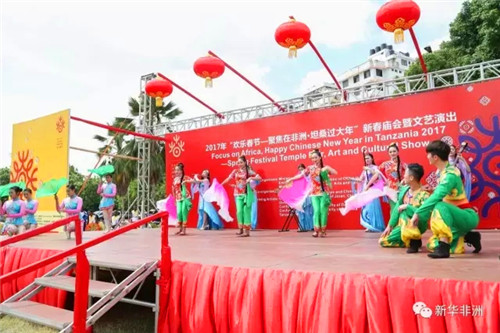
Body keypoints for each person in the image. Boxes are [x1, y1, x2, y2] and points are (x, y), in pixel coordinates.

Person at [410, 140, 481, 259]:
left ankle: (444, 247)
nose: (427, 157)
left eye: (428, 154)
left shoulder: (450, 175)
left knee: (439, 205)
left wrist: (417, 213)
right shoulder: (442, 173)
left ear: (435, 157)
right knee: (431, 244)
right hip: (455, 218)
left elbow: (437, 195)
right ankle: (469, 236)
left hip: (466, 215)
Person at [379, 163, 431, 253]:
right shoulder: (404, 190)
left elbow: (424, 215)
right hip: (403, 225)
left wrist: (407, 207)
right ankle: (408, 240)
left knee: (404, 211)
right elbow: (396, 208)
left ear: (411, 178)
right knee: (383, 241)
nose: (403, 176)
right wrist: (390, 226)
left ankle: (415, 241)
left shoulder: (424, 195)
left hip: (418, 225)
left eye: (405, 174)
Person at [286, 150, 337, 237]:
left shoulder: (325, 168)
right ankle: (316, 230)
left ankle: (323, 231)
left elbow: (335, 172)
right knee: (316, 211)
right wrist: (291, 179)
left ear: (320, 158)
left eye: (315, 157)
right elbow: (300, 175)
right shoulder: (310, 168)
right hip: (314, 193)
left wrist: (328, 168)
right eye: (312, 158)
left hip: (324, 193)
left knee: (323, 211)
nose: (314, 159)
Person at [221, 155, 262, 237]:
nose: (239, 164)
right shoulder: (235, 171)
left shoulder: (248, 171)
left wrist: (251, 178)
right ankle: (240, 229)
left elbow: (259, 178)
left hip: (246, 193)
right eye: (238, 162)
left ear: (245, 162)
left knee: (246, 211)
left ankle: (247, 231)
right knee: (239, 211)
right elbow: (228, 178)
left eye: (241, 162)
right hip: (237, 194)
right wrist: (220, 185)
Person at [347, 153, 386, 232]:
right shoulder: (365, 169)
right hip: (366, 190)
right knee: (366, 208)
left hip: (373, 190)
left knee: (372, 208)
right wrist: (352, 179)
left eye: (368, 158)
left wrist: (368, 169)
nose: (367, 160)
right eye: (365, 159)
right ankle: (369, 225)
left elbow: (376, 175)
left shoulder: (375, 168)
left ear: (372, 159)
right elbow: (361, 180)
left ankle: (375, 226)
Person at [379, 143, 407, 210]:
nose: (392, 153)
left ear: (397, 152)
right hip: (390, 189)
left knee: (401, 208)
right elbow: (377, 172)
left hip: (400, 188)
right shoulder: (385, 164)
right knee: (393, 209)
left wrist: (404, 181)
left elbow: (410, 172)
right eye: (390, 152)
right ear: (388, 153)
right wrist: (383, 182)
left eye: (394, 151)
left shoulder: (402, 163)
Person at [172, 163, 193, 235]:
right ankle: (180, 229)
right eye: (175, 170)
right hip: (178, 198)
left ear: (181, 171)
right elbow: (173, 189)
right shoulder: (175, 179)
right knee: (179, 212)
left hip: (185, 197)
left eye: (178, 170)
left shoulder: (185, 177)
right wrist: (174, 198)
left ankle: (184, 230)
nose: (176, 171)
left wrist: (186, 181)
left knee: (184, 212)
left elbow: (193, 181)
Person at [296, 164, 313, 231]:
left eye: (302, 169)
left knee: (308, 212)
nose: (301, 170)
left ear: (305, 169)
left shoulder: (309, 176)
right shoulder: (297, 177)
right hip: (300, 196)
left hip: (307, 195)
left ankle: (311, 226)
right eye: (299, 169)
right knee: (301, 212)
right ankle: (302, 227)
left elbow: (310, 185)